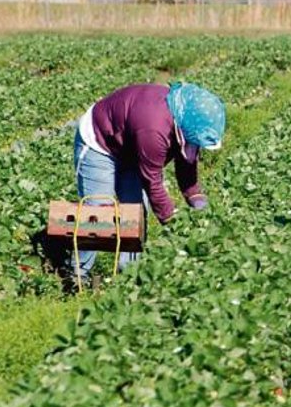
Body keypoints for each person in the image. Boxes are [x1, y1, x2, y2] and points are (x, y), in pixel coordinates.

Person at [67, 81, 225, 281]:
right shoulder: (155, 128)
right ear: (186, 127)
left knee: (135, 213)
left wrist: (197, 199)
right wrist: (173, 221)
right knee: (98, 210)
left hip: (132, 145)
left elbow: (186, 164)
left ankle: (129, 276)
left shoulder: (184, 119)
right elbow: (153, 182)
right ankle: (77, 275)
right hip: (100, 140)